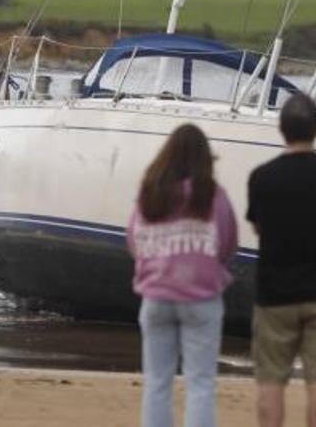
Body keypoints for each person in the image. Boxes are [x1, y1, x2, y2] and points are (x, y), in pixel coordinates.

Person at [246, 93, 316, 427]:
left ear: (281, 129)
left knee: (271, 384)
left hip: (274, 292)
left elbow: (257, 227)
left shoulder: (262, 177)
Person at [127, 124, 238, 427]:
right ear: (205, 159)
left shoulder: (149, 194)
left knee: (157, 383)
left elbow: (134, 241)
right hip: (202, 298)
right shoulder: (213, 196)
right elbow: (228, 243)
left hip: (156, 296)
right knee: (200, 384)